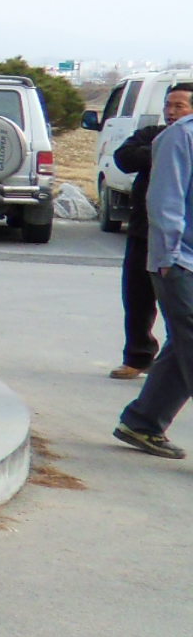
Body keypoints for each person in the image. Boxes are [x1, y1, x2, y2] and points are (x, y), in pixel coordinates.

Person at [115, 102, 193, 460]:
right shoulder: (180, 136)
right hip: (180, 261)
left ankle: (142, 422)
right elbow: (164, 202)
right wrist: (167, 258)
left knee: (182, 348)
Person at [109, 83, 193, 381]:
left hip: (183, 241)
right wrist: (164, 149)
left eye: (179, 106)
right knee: (137, 298)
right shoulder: (155, 135)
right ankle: (138, 357)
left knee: (181, 307)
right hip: (144, 232)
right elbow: (124, 158)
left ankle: (178, 362)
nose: (171, 112)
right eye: (168, 105)